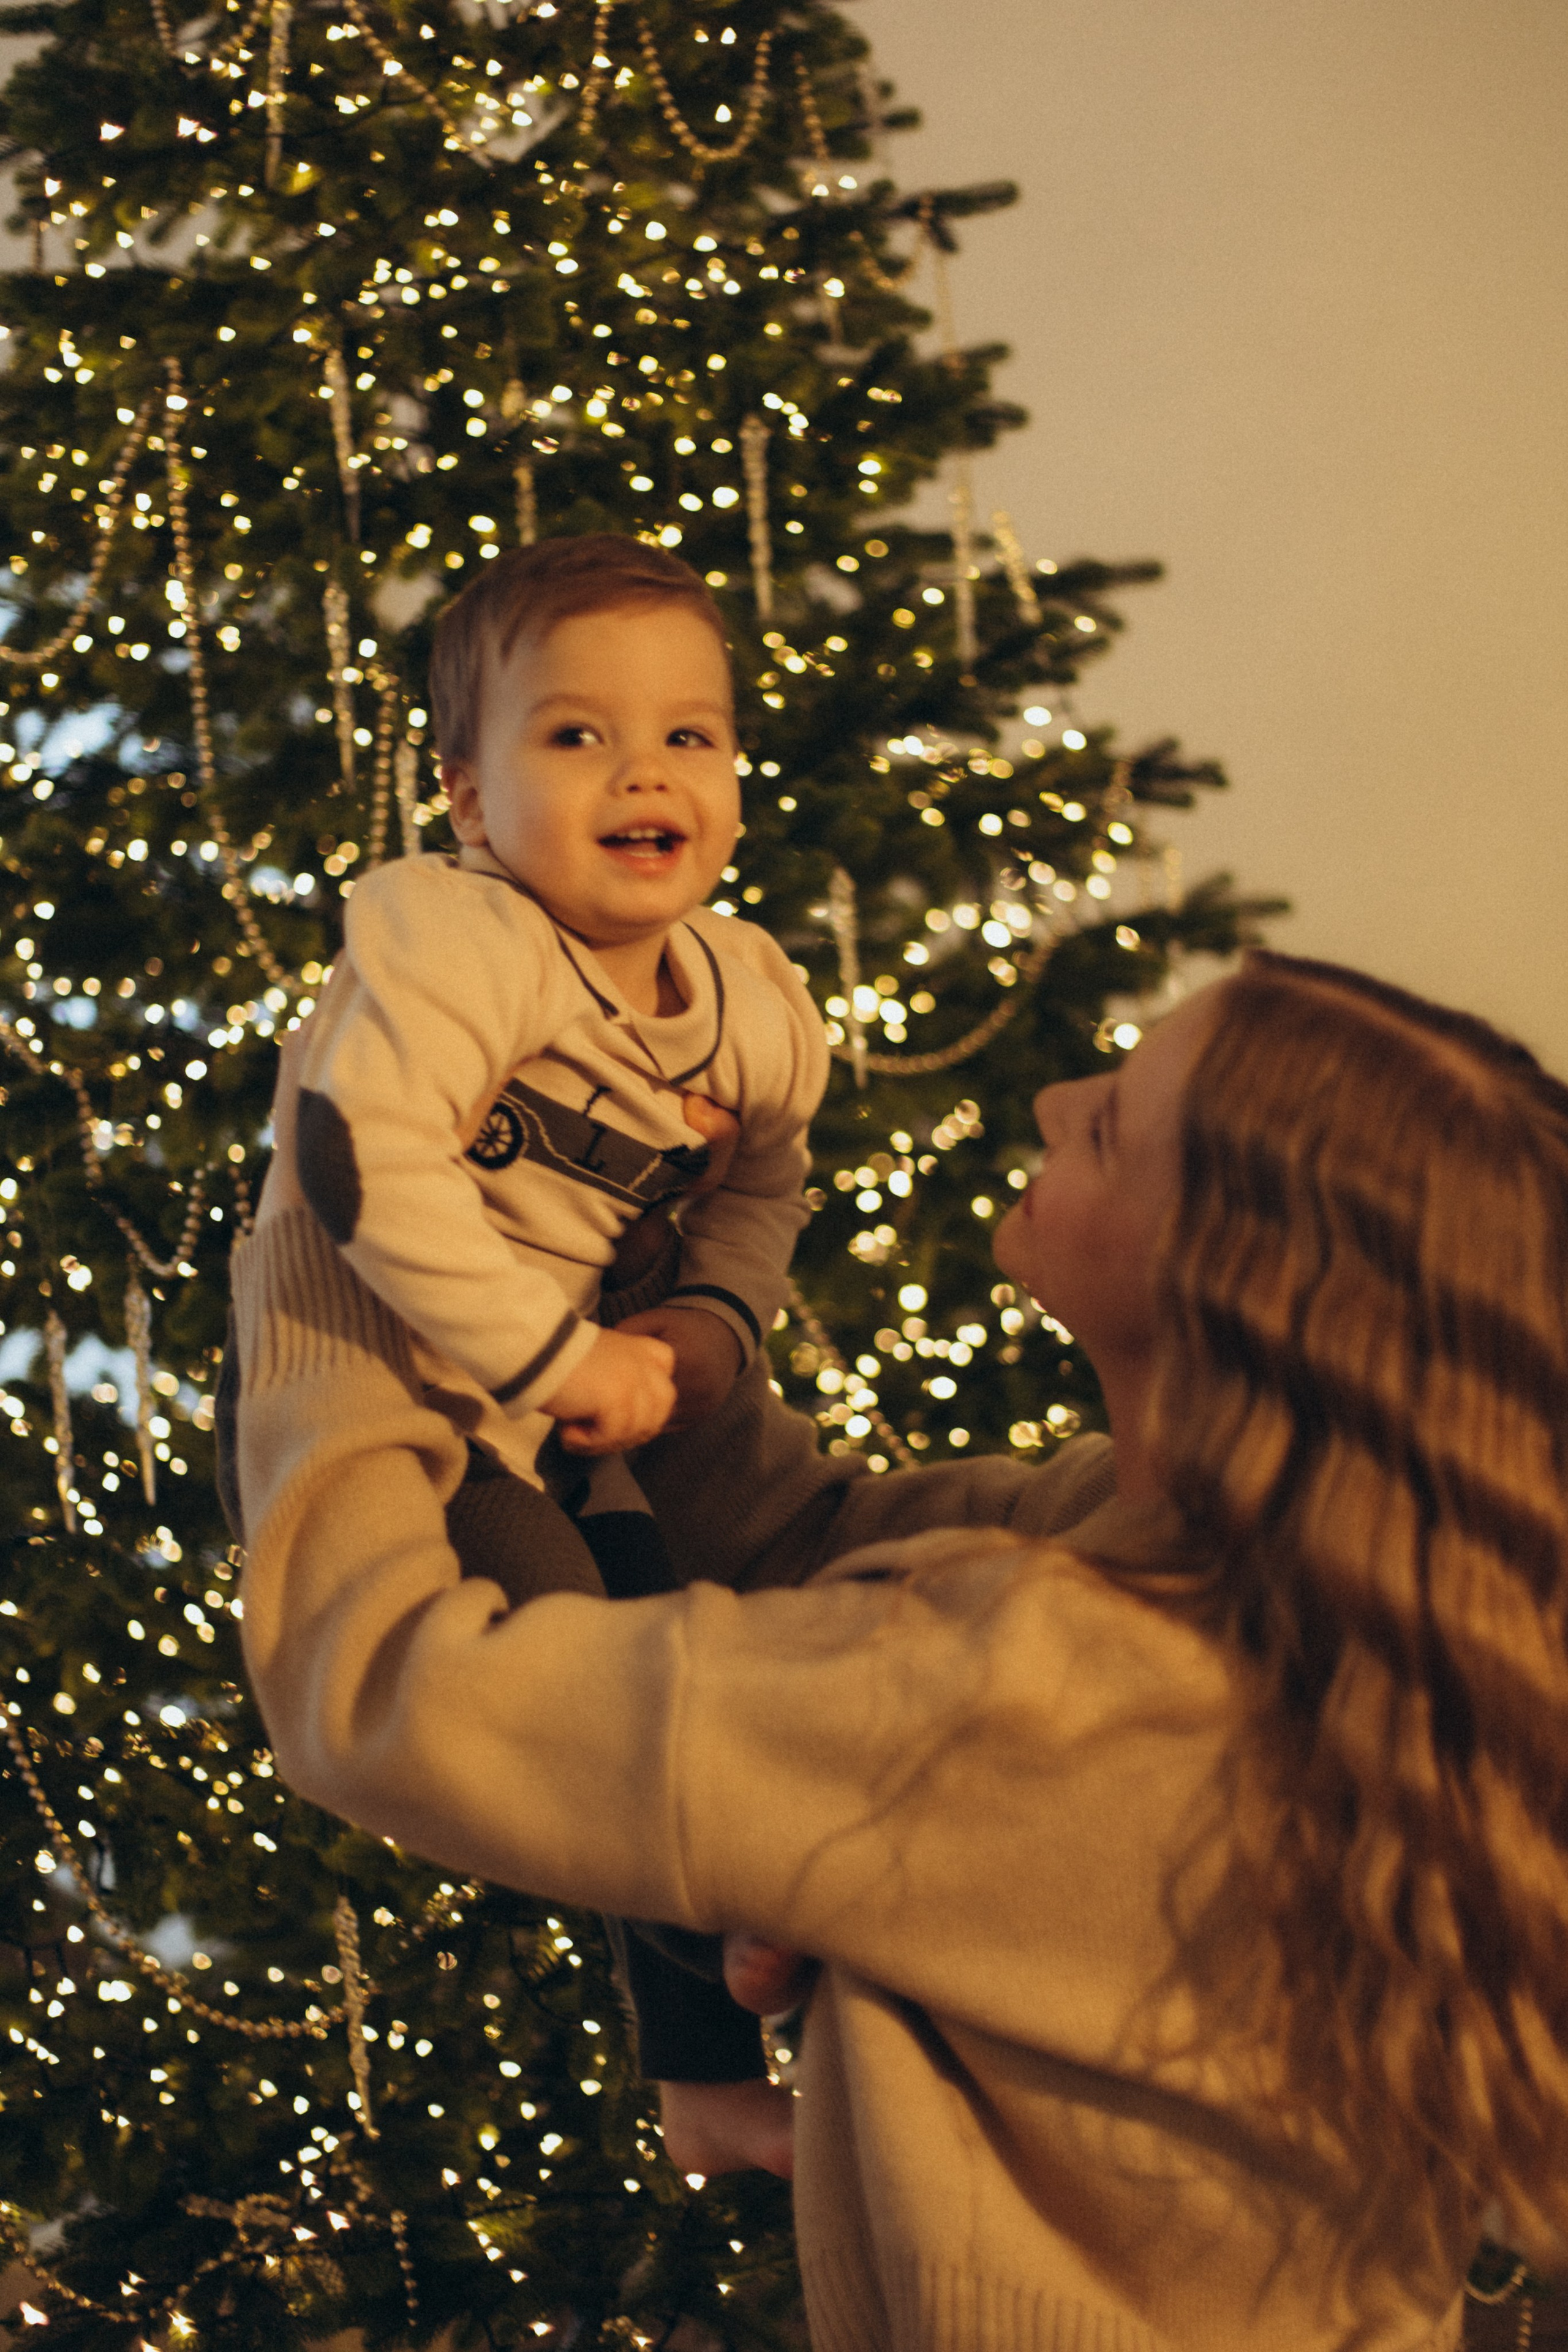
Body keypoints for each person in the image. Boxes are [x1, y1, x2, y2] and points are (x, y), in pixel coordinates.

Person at [232, 950, 1568, 2350]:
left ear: (1227, 1289)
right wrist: (650, 1328)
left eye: (1111, 1123)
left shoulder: (1030, 1683)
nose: (1055, 1097)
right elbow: (800, 1541)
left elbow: (382, 1693)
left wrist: (336, 1246)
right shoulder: (1281, 1584)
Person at [286, 533, 827, 2155]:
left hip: (601, 1415)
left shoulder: (751, 997)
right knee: (579, 1683)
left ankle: (704, 2086)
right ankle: (729, 1960)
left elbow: (770, 1172)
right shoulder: (453, 938)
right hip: (433, 1404)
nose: (641, 771)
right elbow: (352, 1152)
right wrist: (547, 1358)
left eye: (689, 735)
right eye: (575, 734)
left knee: (684, 1639)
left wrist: (712, 1324)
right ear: (466, 799)